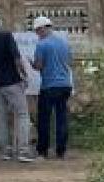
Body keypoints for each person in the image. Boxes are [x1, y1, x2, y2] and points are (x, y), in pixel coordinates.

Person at [0, 10, 33, 162]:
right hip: (12, 81)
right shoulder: (7, 35)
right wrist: (24, 75)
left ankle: (6, 151)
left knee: (0, 116)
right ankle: (23, 151)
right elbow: (16, 58)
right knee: (22, 114)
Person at [31, 15, 73, 160]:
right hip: (65, 85)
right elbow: (69, 61)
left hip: (49, 86)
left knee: (44, 119)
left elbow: (39, 65)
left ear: (42, 29)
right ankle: (61, 151)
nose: (37, 34)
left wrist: (32, 64)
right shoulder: (64, 43)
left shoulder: (42, 44)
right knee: (61, 118)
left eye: (37, 31)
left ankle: (43, 151)